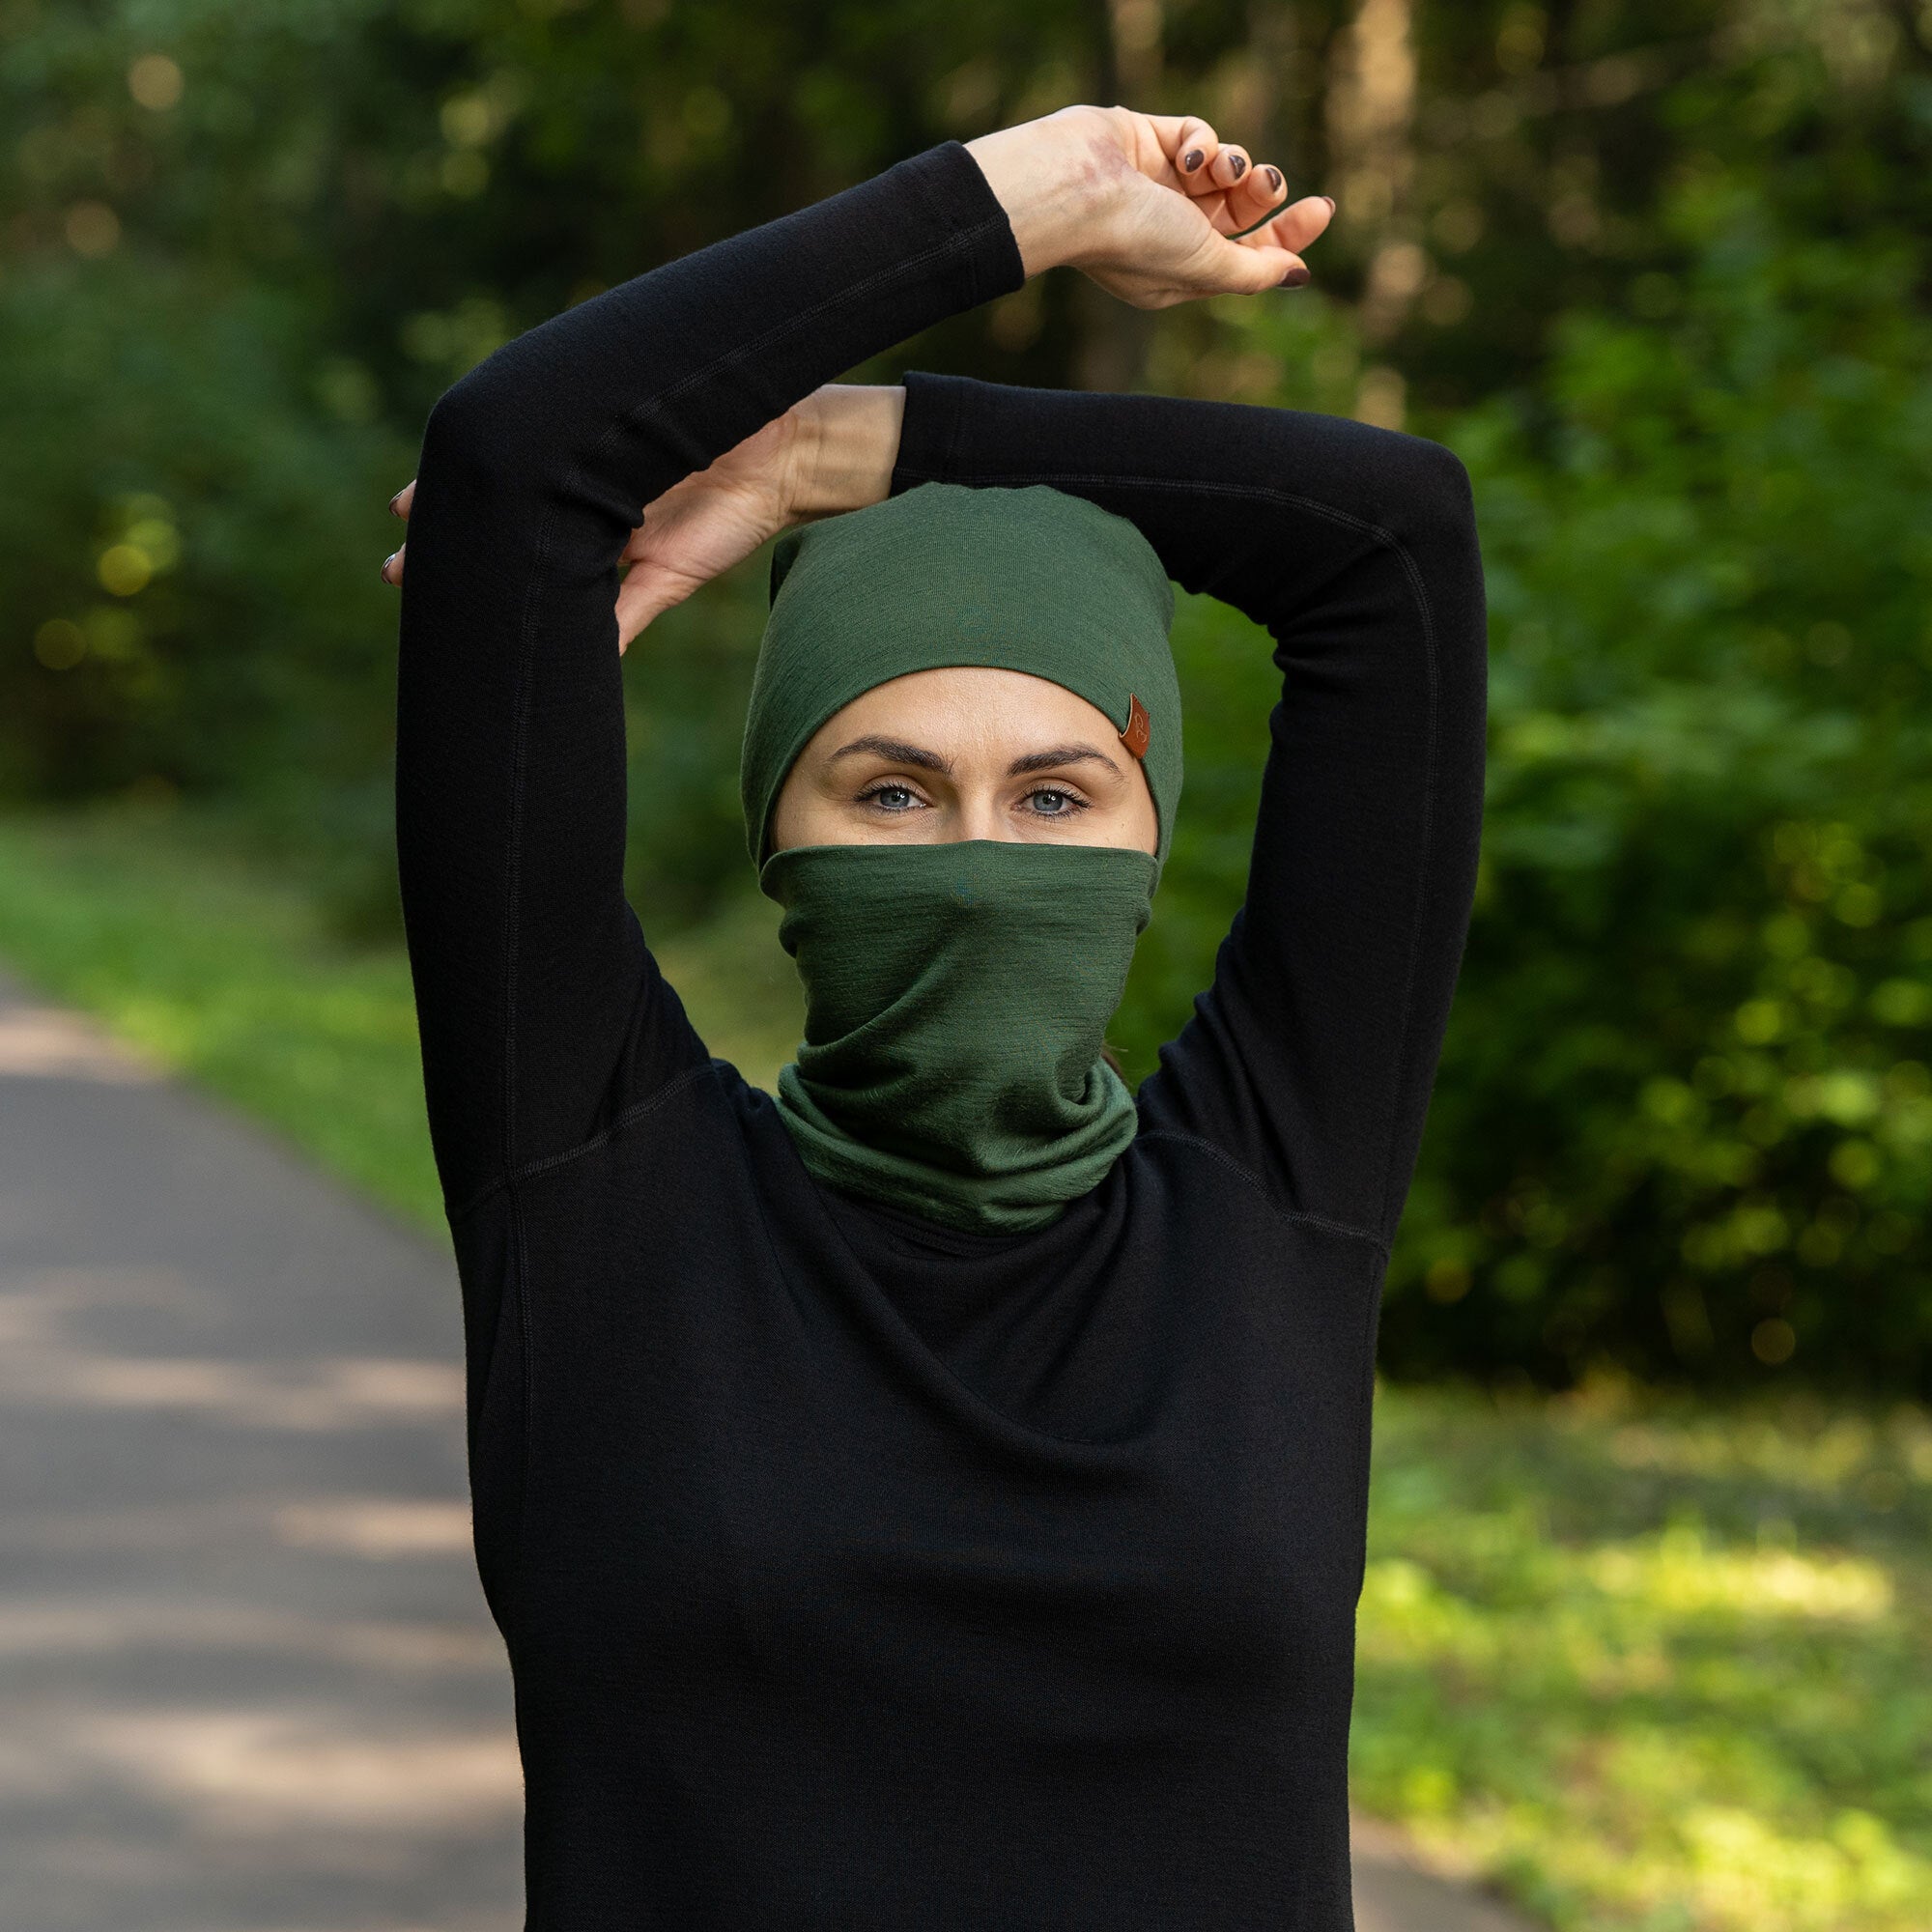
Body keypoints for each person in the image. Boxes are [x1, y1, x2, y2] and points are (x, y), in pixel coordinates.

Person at [383, 103, 1485, 1931]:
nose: (979, 858)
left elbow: (1386, 537)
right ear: (777, 838)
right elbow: (517, 462)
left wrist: (844, 449)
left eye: (1056, 795)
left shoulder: (1272, 1198)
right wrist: (1038, 193)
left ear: (1146, 834)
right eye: (890, 792)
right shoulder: (591, 1181)